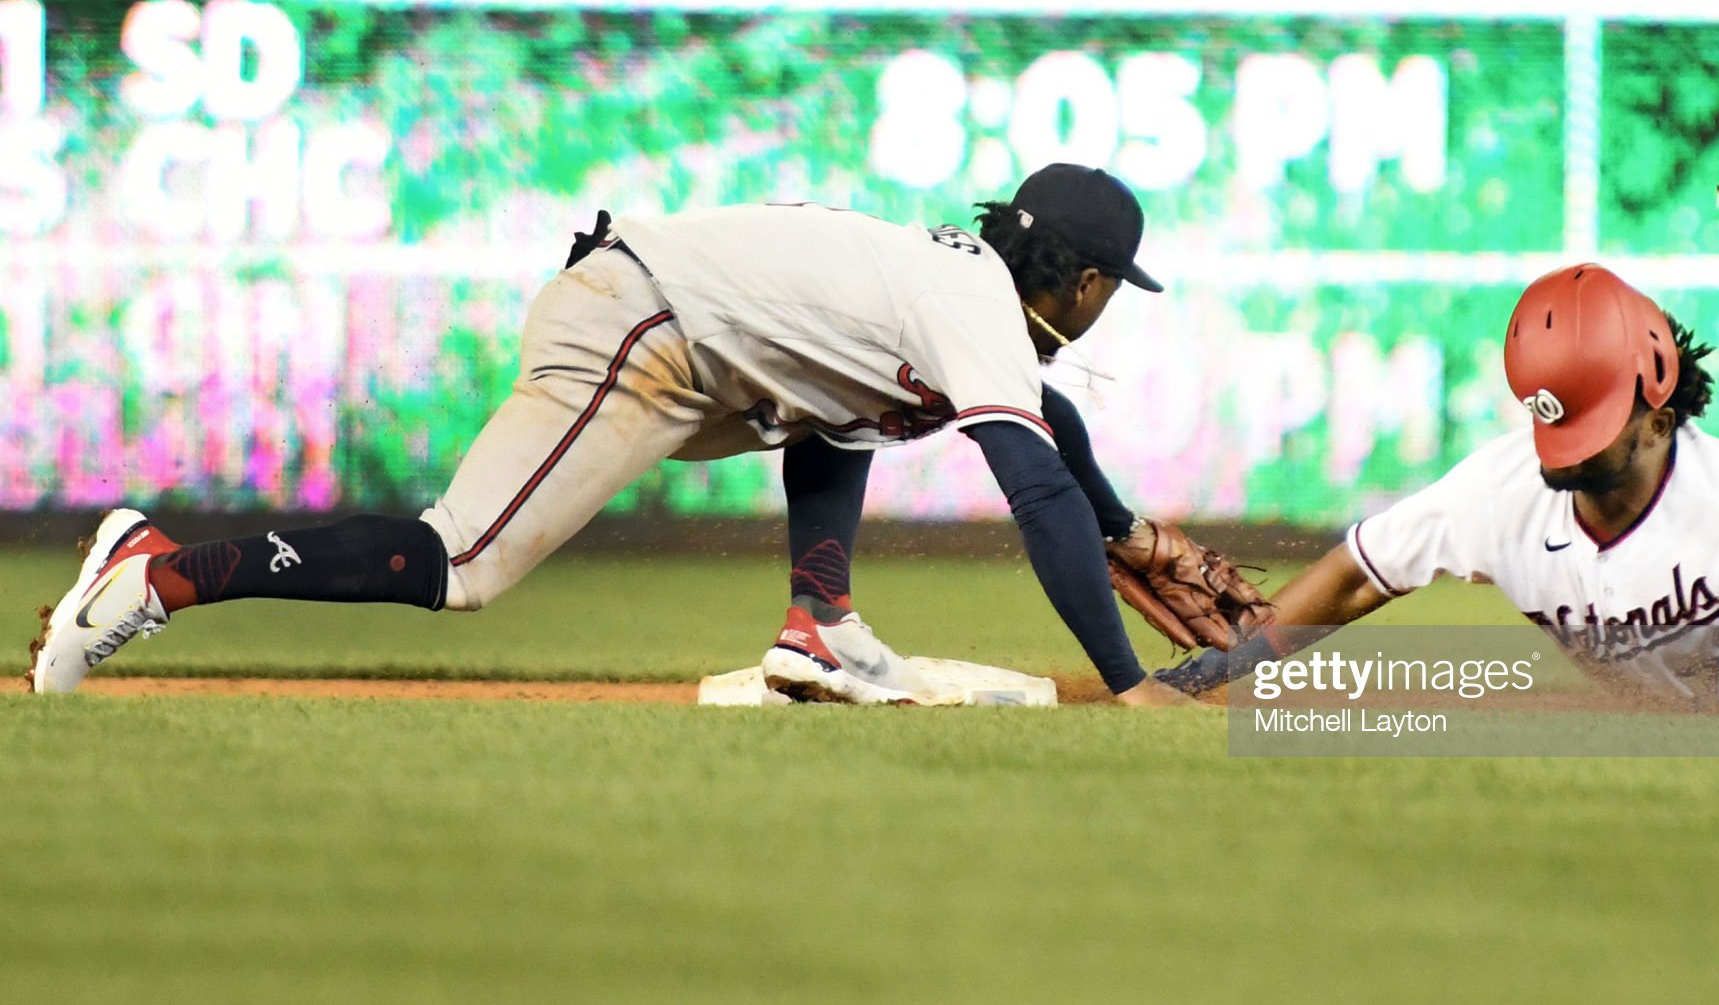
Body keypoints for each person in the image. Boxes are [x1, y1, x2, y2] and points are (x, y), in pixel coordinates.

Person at [29, 164, 1200, 706]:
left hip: (689, 340)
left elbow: (1032, 431)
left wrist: (1127, 531)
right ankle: (163, 577)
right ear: (1085, 279)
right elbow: (1038, 492)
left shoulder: (961, 296)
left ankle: (820, 626)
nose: (1103, 307)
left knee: (848, 412)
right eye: (1109, 288)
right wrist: (1126, 680)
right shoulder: (977, 311)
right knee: (462, 562)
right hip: (642, 324)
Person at [1162, 157, 1719, 699]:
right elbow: (1359, 574)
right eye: (1548, 417)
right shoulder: (1502, 487)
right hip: (1700, 662)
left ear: (1658, 416)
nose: (1561, 454)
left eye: (1592, 426)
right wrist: (1220, 668)